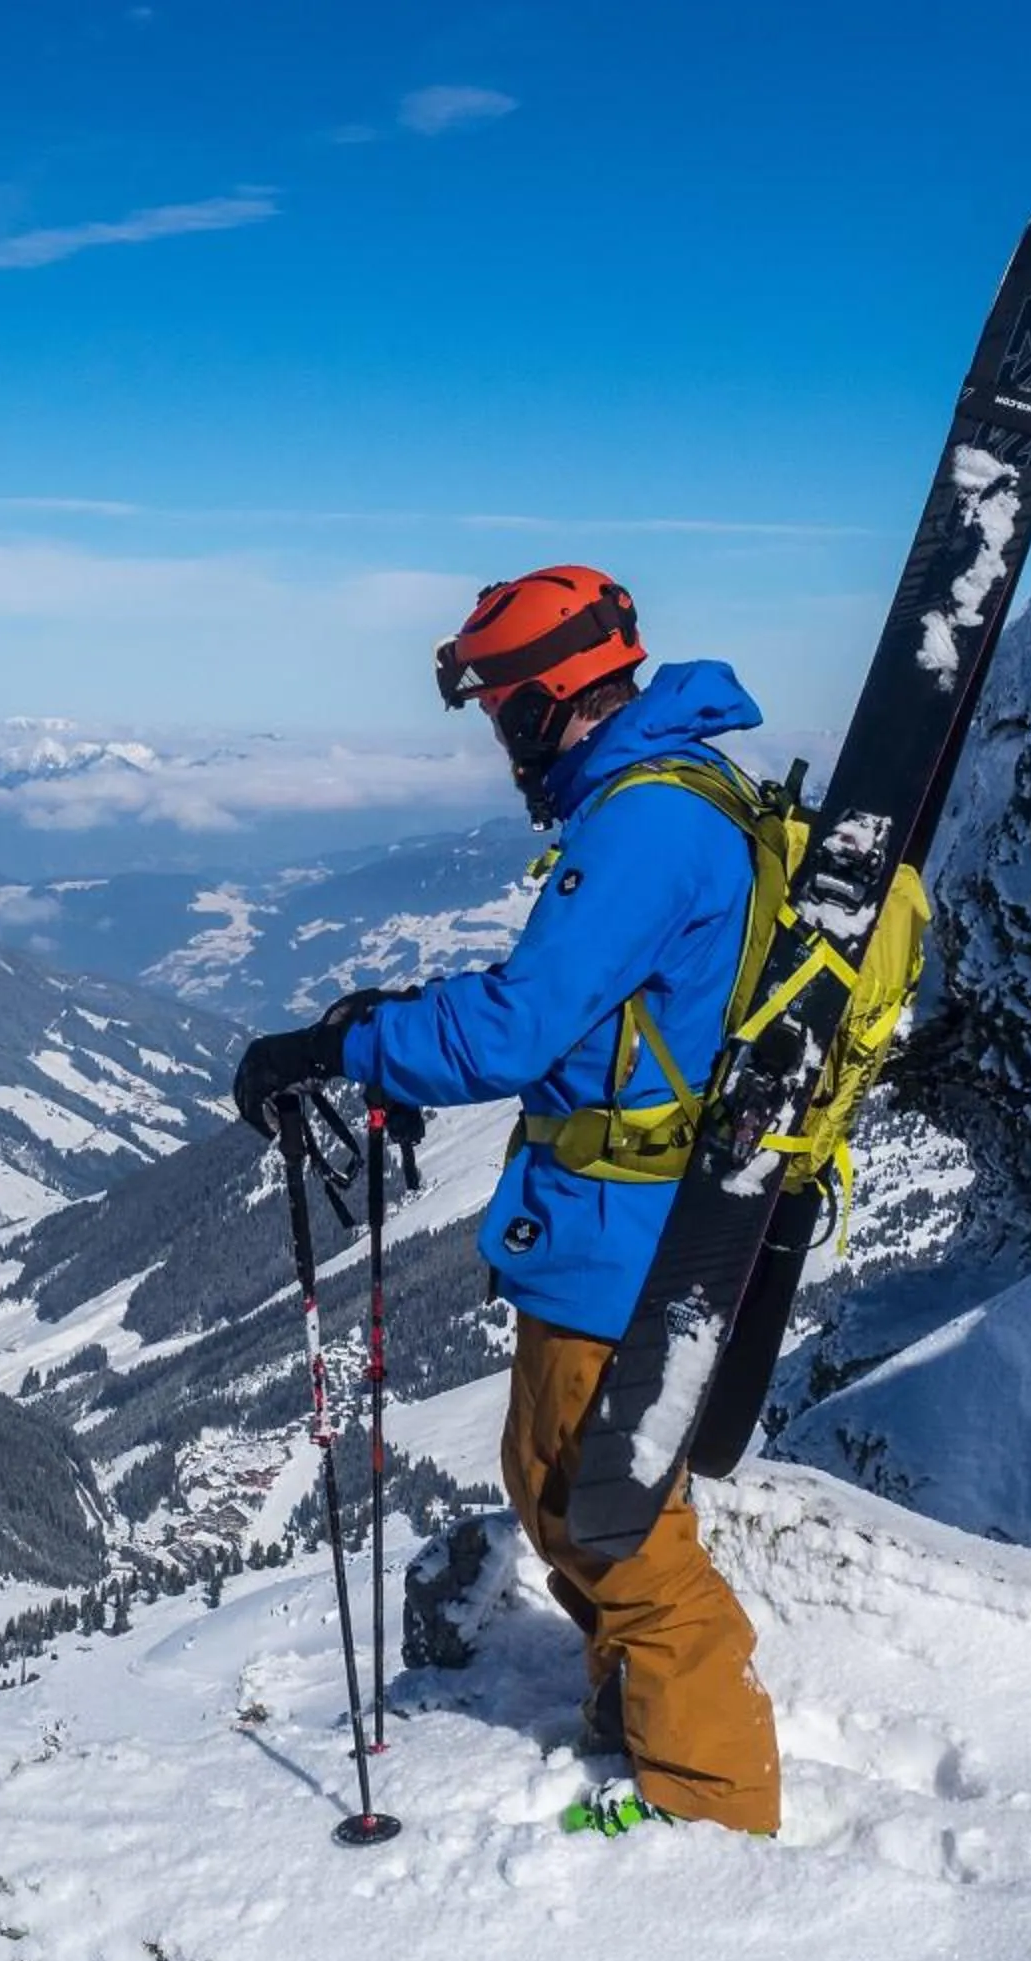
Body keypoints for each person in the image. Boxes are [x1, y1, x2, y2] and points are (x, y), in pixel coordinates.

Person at [231, 564, 782, 1835]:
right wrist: (385, 1029)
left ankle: (712, 1819)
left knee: (617, 1523)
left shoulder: (647, 823)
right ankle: (633, 1708)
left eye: (499, 711)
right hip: (611, 1215)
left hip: (623, 1227)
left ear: (545, 705)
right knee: (550, 1476)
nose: (496, 739)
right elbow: (584, 1006)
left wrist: (343, 1049)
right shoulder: (664, 800)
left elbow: (517, 1028)